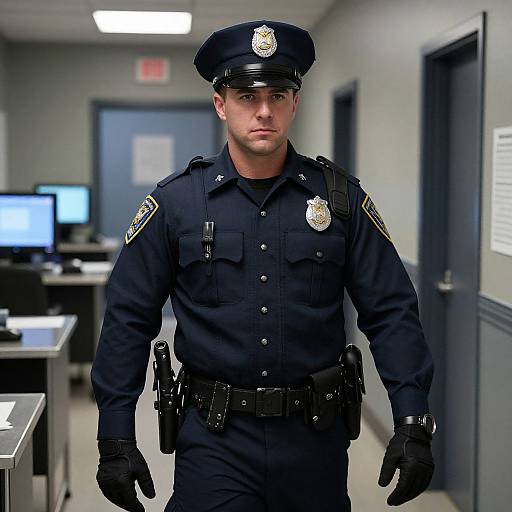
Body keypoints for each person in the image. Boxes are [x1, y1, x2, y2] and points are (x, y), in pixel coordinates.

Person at [91, 20, 436, 512]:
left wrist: (412, 418)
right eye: (246, 95)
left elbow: (392, 310)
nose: (263, 110)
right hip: (215, 439)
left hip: (315, 439)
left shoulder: (338, 201)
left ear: (295, 103)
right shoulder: (177, 203)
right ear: (221, 104)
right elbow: (127, 318)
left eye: (278, 94)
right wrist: (115, 435)